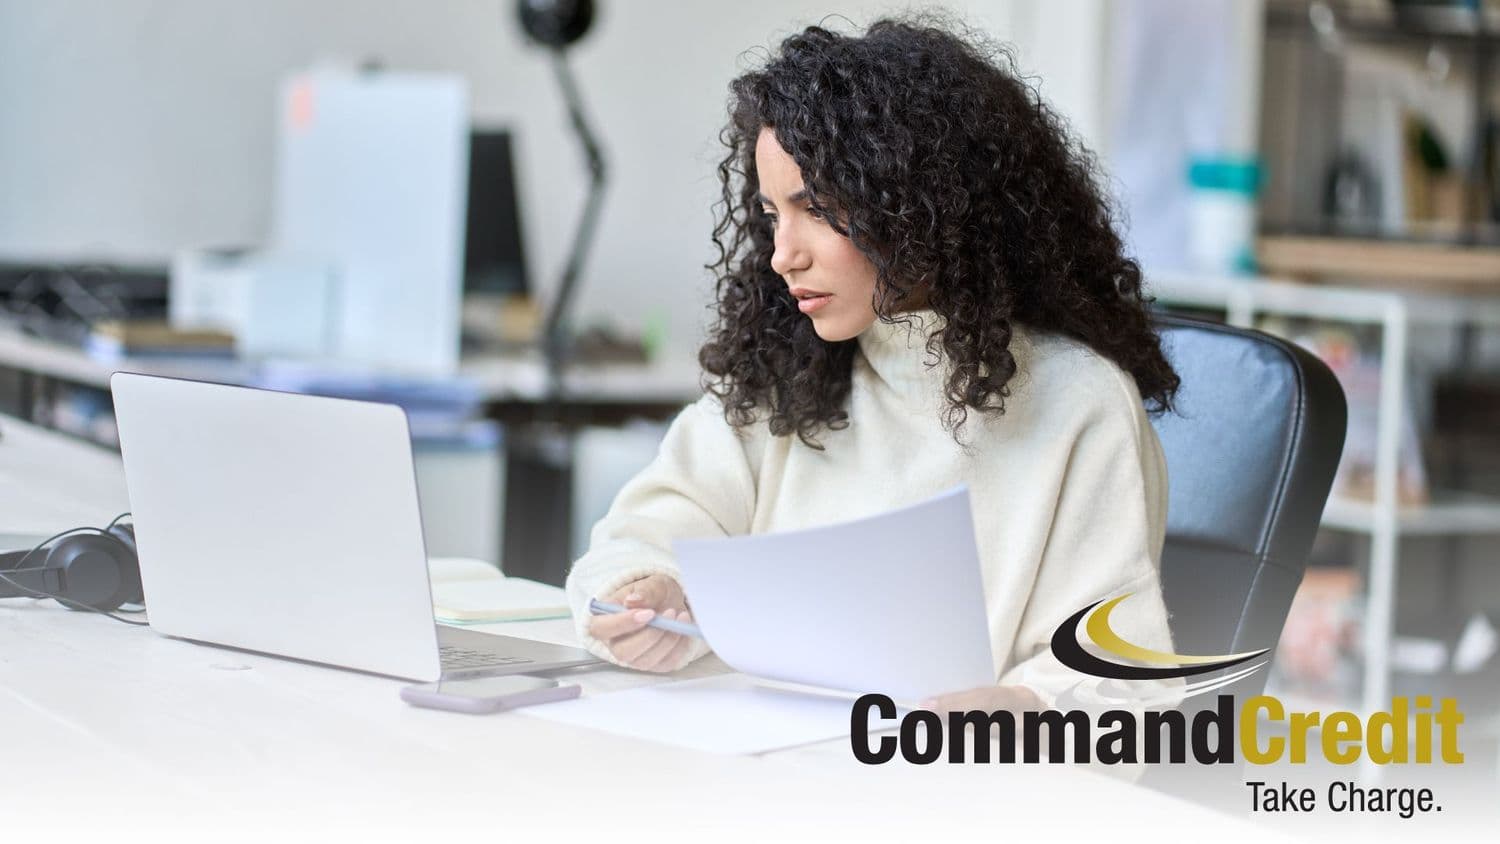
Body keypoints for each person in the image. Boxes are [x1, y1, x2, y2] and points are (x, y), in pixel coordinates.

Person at [565, 16, 1181, 714]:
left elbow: (1112, 684)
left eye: (818, 210)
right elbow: (639, 536)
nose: (782, 254)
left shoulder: (1079, 404)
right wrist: (652, 588)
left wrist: (1022, 710)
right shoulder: (788, 371)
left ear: (924, 206)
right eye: (771, 215)